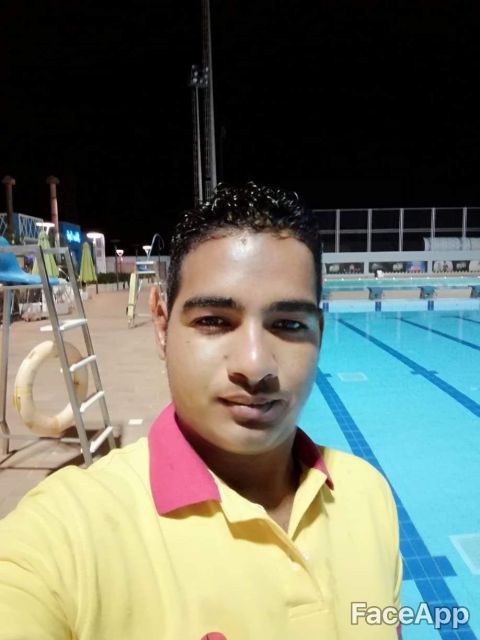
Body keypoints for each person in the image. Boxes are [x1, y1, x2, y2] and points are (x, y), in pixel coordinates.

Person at [0, 183, 402, 639]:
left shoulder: (368, 496)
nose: (255, 365)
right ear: (161, 324)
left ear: (319, 334)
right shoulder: (70, 535)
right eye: (213, 321)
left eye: (289, 324)